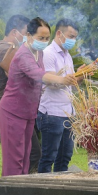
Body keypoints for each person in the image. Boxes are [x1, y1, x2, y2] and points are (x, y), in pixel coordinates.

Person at [0, 17, 77, 177]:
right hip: (12, 112)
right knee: (15, 160)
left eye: (47, 38)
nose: (45, 41)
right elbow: (39, 74)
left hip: (28, 113)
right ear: (28, 36)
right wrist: (61, 79)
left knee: (26, 158)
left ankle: (22, 194)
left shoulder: (39, 52)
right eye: (41, 38)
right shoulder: (23, 55)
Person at [0, 15, 42, 174]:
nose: (29, 38)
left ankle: (23, 191)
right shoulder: (5, 50)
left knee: (28, 155)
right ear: (14, 32)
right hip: (10, 111)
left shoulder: (10, 50)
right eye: (27, 33)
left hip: (17, 111)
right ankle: (17, 191)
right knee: (24, 157)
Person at [37, 19, 85, 173]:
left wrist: (81, 75)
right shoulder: (48, 54)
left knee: (65, 157)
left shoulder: (67, 55)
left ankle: (61, 191)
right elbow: (50, 81)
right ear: (59, 33)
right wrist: (67, 79)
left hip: (68, 113)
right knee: (48, 157)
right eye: (71, 36)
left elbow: (68, 82)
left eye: (75, 37)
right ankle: (44, 192)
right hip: (52, 112)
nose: (73, 40)